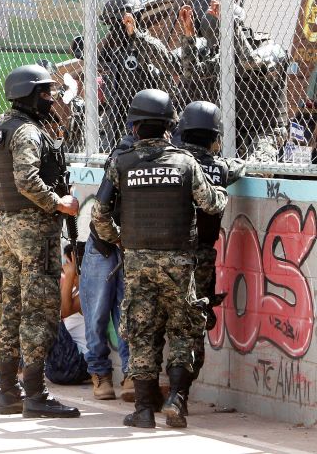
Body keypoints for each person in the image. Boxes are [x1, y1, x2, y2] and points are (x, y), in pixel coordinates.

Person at [92, 88, 227, 429]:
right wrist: (223, 189)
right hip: (180, 264)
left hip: (138, 264)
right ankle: (177, 402)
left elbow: (98, 214)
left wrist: (121, 241)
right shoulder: (185, 162)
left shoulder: (121, 163)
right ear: (170, 127)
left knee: (141, 332)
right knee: (182, 331)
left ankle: (142, 411)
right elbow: (211, 204)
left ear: (134, 128)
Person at [0, 65, 80, 418]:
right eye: (45, 93)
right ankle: (36, 395)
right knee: (39, 311)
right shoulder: (26, 131)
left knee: (10, 309)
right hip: (34, 229)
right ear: (30, 94)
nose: (51, 99)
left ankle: (9, 392)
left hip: (7, 225)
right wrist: (60, 203)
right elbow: (26, 180)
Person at [174, 101, 243, 411]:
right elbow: (238, 167)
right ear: (215, 138)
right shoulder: (219, 167)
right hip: (201, 258)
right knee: (193, 322)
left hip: (162, 251)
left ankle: (146, 394)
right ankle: (181, 394)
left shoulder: (172, 160)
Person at [179, 0, 289, 162]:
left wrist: (230, 27)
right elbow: (192, 73)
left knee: (256, 170)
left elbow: (251, 63)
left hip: (265, 131)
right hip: (231, 130)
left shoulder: (270, 47)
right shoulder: (223, 56)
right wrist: (189, 37)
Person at [81, 129, 133, 402]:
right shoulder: (121, 160)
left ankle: (130, 374)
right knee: (98, 313)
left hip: (129, 247)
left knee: (128, 315)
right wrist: (119, 240)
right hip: (103, 246)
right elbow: (99, 215)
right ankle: (100, 373)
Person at [97, 0, 168, 151]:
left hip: (146, 122)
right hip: (118, 119)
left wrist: (135, 35)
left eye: (116, 23)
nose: (113, 29)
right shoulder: (115, 49)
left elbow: (165, 63)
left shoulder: (147, 46)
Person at [45, 245, 89, 386]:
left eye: (66, 263)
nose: (63, 267)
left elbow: (63, 311)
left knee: (45, 316)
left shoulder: (88, 291)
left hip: (76, 364)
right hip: (64, 364)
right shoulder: (76, 290)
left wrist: (70, 276)